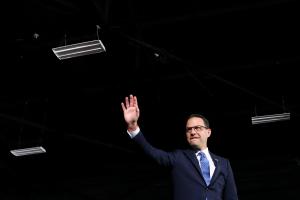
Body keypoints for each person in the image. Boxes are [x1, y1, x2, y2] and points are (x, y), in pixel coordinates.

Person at [121, 94, 238, 200]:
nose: (192, 132)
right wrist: (133, 127)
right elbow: (153, 153)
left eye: (197, 128)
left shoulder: (224, 164)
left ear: (208, 132)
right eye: (189, 129)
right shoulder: (178, 157)